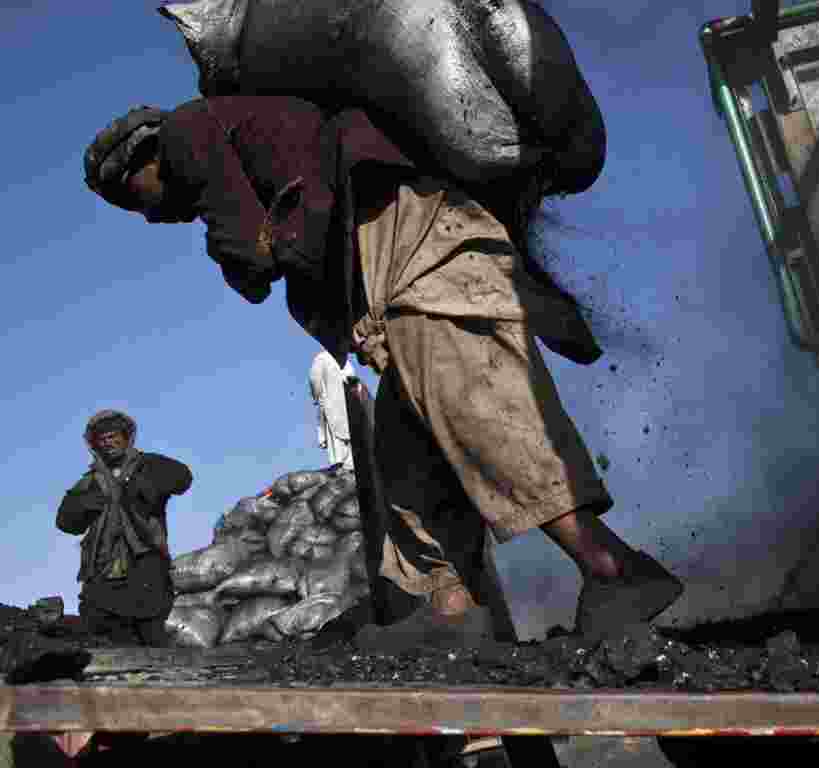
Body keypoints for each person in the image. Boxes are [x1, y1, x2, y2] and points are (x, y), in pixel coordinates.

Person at [83, 96, 683, 652]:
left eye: (133, 196)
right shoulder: (231, 138)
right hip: (394, 272)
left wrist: (245, 256)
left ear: (142, 155)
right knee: (403, 456)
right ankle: (451, 606)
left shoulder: (188, 133)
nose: (147, 215)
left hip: (416, 245)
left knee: (474, 412)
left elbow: (247, 251)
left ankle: (614, 570)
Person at [57, 410, 192, 646]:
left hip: (146, 566)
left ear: (126, 438)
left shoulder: (149, 465)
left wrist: (148, 486)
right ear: (95, 445)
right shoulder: (89, 482)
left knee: (153, 633)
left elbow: (183, 478)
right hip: (102, 573)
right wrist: (87, 505)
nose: (109, 442)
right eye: (103, 439)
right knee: (104, 635)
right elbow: (66, 522)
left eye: (113, 436)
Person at [310, 349, 358, 471]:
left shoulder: (321, 358)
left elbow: (314, 380)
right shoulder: (345, 360)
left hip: (332, 401)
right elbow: (353, 380)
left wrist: (317, 396)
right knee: (345, 431)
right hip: (345, 403)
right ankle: (347, 462)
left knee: (336, 432)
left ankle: (339, 461)